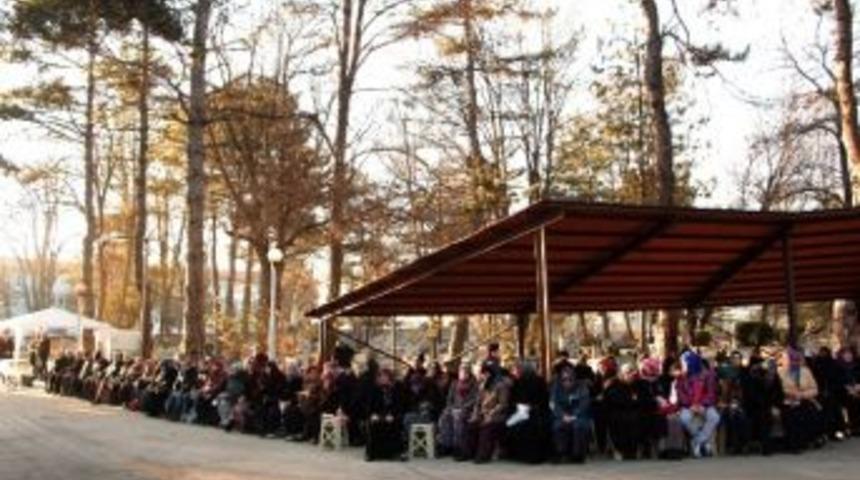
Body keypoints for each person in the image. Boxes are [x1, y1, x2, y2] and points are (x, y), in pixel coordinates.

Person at [674, 351, 720, 458]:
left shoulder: (708, 375)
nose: (682, 365)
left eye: (684, 363)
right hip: (689, 406)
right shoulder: (681, 378)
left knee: (715, 417)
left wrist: (703, 405)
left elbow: (711, 393)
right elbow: (681, 394)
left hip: (705, 405)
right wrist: (691, 405)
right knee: (684, 418)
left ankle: (697, 441)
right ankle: (703, 440)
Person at [504, 359, 550, 464]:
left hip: (531, 412)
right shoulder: (535, 381)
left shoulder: (525, 382)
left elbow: (543, 399)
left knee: (518, 424)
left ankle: (522, 455)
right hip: (529, 411)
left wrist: (526, 406)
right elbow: (513, 400)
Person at [778, 348, 823, 452]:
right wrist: (790, 393)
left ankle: (806, 440)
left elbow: (814, 389)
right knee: (790, 413)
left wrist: (802, 395)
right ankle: (793, 444)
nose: (791, 361)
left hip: (804, 399)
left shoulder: (805, 371)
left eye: (794, 358)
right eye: (787, 358)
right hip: (786, 400)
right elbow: (777, 389)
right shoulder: (779, 372)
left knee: (807, 412)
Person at [465, 360, 510, 463]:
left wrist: (491, 414)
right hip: (483, 413)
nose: (482, 376)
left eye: (484, 374)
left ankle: (483, 456)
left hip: (498, 415)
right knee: (471, 424)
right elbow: (477, 402)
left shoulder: (501, 386)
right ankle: (468, 453)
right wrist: (475, 414)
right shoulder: (482, 386)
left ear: (489, 374)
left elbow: (503, 404)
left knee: (486, 427)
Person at [549, 364, 592, 463]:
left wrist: (574, 415)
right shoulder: (556, 387)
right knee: (557, 426)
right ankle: (561, 453)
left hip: (578, 415)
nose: (567, 382)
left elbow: (584, 404)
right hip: (561, 415)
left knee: (579, 426)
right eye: (564, 379)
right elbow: (553, 404)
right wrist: (562, 415)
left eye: (570, 379)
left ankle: (577, 455)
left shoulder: (582, 387)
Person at [742, 355, 782, 455]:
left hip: (768, 405)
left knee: (765, 416)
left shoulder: (771, 376)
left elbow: (778, 392)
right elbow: (749, 395)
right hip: (752, 405)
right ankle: (761, 446)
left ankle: (767, 446)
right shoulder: (748, 376)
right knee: (761, 416)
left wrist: (775, 405)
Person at [438, 363, 479, 459]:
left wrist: (464, 407)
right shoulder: (454, 383)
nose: (462, 373)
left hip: (467, 409)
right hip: (454, 408)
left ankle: (459, 447)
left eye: (465, 371)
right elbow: (449, 398)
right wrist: (450, 407)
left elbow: (475, 399)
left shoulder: (474, 383)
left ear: (469, 373)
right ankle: (446, 445)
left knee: (459, 419)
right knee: (445, 417)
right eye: (461, 371)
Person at [603, 363, 643, 460]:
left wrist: (633, 401)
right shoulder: (613, 384)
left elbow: (641, 399)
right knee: (620, 421)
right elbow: (613, 400)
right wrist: (631, 400)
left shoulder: (637, 384)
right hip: (617, 412)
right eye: (628, 373)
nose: (631, 376)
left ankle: (633, 450)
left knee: (637, 419)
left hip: (633, 411)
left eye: (632, 373)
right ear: (622, 374)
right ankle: (620, 449)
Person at [365, 368, 405, 461]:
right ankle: (372, 454)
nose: (383, 379)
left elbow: (399, 405)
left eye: (385, 377)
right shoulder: (374, 390)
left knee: (393, 424)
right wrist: (373, 414)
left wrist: (392, 415)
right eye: (381, 377)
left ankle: (395, 452)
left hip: (392, 414)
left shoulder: (395, 389)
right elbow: (370, 405)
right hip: (377, 414)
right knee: (374, 424)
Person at [717, 351, 751, 454]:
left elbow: (747, 391)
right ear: (730, 360)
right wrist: (726, 402)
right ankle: (733, 445)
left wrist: (738, 402)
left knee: (741, 416)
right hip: (727, 402)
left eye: (738, 358)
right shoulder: (725, 372)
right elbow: (722, 391)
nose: (736, 360)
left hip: (743, 403)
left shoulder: (745, 372)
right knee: (732, 415)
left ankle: (743, 444)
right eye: (734, 358)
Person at [834, 347, 860, 435]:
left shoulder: (857, 365)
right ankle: (852, 426)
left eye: (850, 354)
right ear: (841, 355)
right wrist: (848, 388)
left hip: (857, 389)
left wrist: (858, 386)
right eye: (846, 354)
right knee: (851, 400)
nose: (848, 356)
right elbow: (836, 381)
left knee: (856, 399)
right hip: (843, 391)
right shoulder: (837, 367)